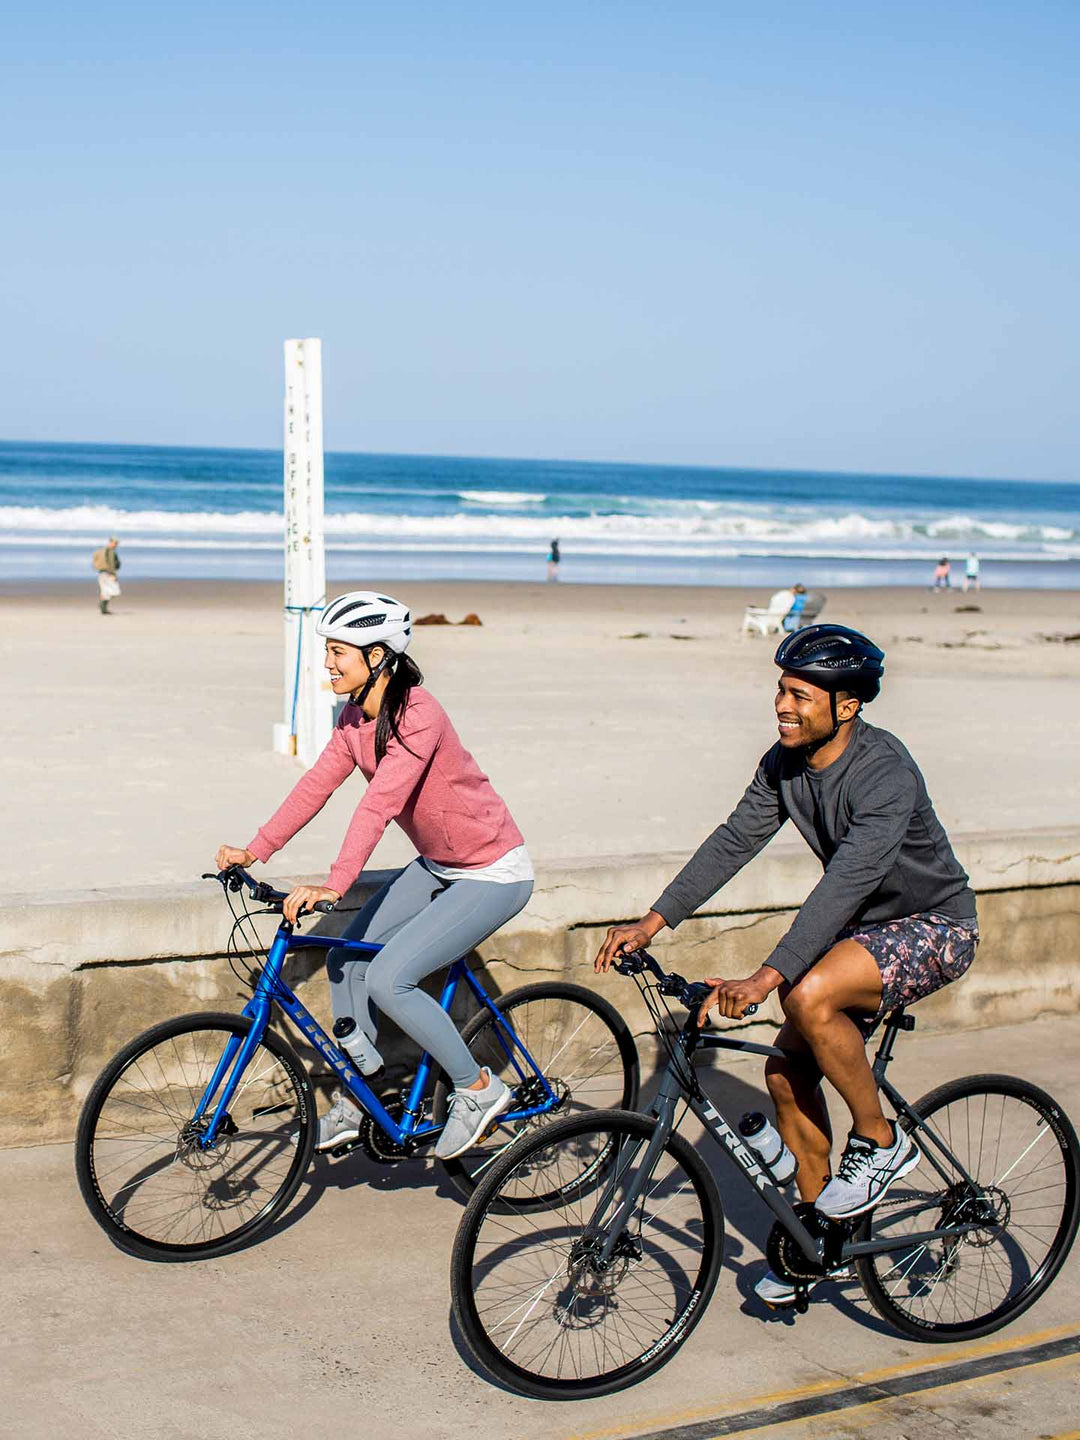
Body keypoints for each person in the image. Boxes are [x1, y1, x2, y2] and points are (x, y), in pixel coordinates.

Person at [595, 623, 978, 1307]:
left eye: (800, 695)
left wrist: (768, 977)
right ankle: (819, 1241)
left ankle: (880, 1141)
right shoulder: (785, 764)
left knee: (808, 998)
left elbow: (848, 882)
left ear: (846, 705)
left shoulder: (885, 771)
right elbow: (735, 839)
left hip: (933, 926)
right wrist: (654, 921)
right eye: (781, 690)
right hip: (864, 932)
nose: (782, 705)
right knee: (783, 1073)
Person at [215, 591, 534, 1159]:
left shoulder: (420, 715)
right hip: (438, 865)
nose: (329, 663)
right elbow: (317, 785)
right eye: (328, 651)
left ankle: (478, 1088)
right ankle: (363, 1093)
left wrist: (336, 883)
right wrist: (256, 849)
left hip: (491, 871)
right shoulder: (353, 718)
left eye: (339, 651)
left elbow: (378, 804)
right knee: (346, 960)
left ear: (379, 655)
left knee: (390, 980)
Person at [92, 537, 121, 614]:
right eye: (115, 543)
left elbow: (95, 560)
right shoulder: (110, 552)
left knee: (105, 591)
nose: (116, 545)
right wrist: (113, 574)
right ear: (111, 542)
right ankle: (102, 605)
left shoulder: (101, 550)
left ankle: (103, 607)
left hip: (101, 573)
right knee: (114, 591)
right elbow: (111, 563)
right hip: (107, 573)